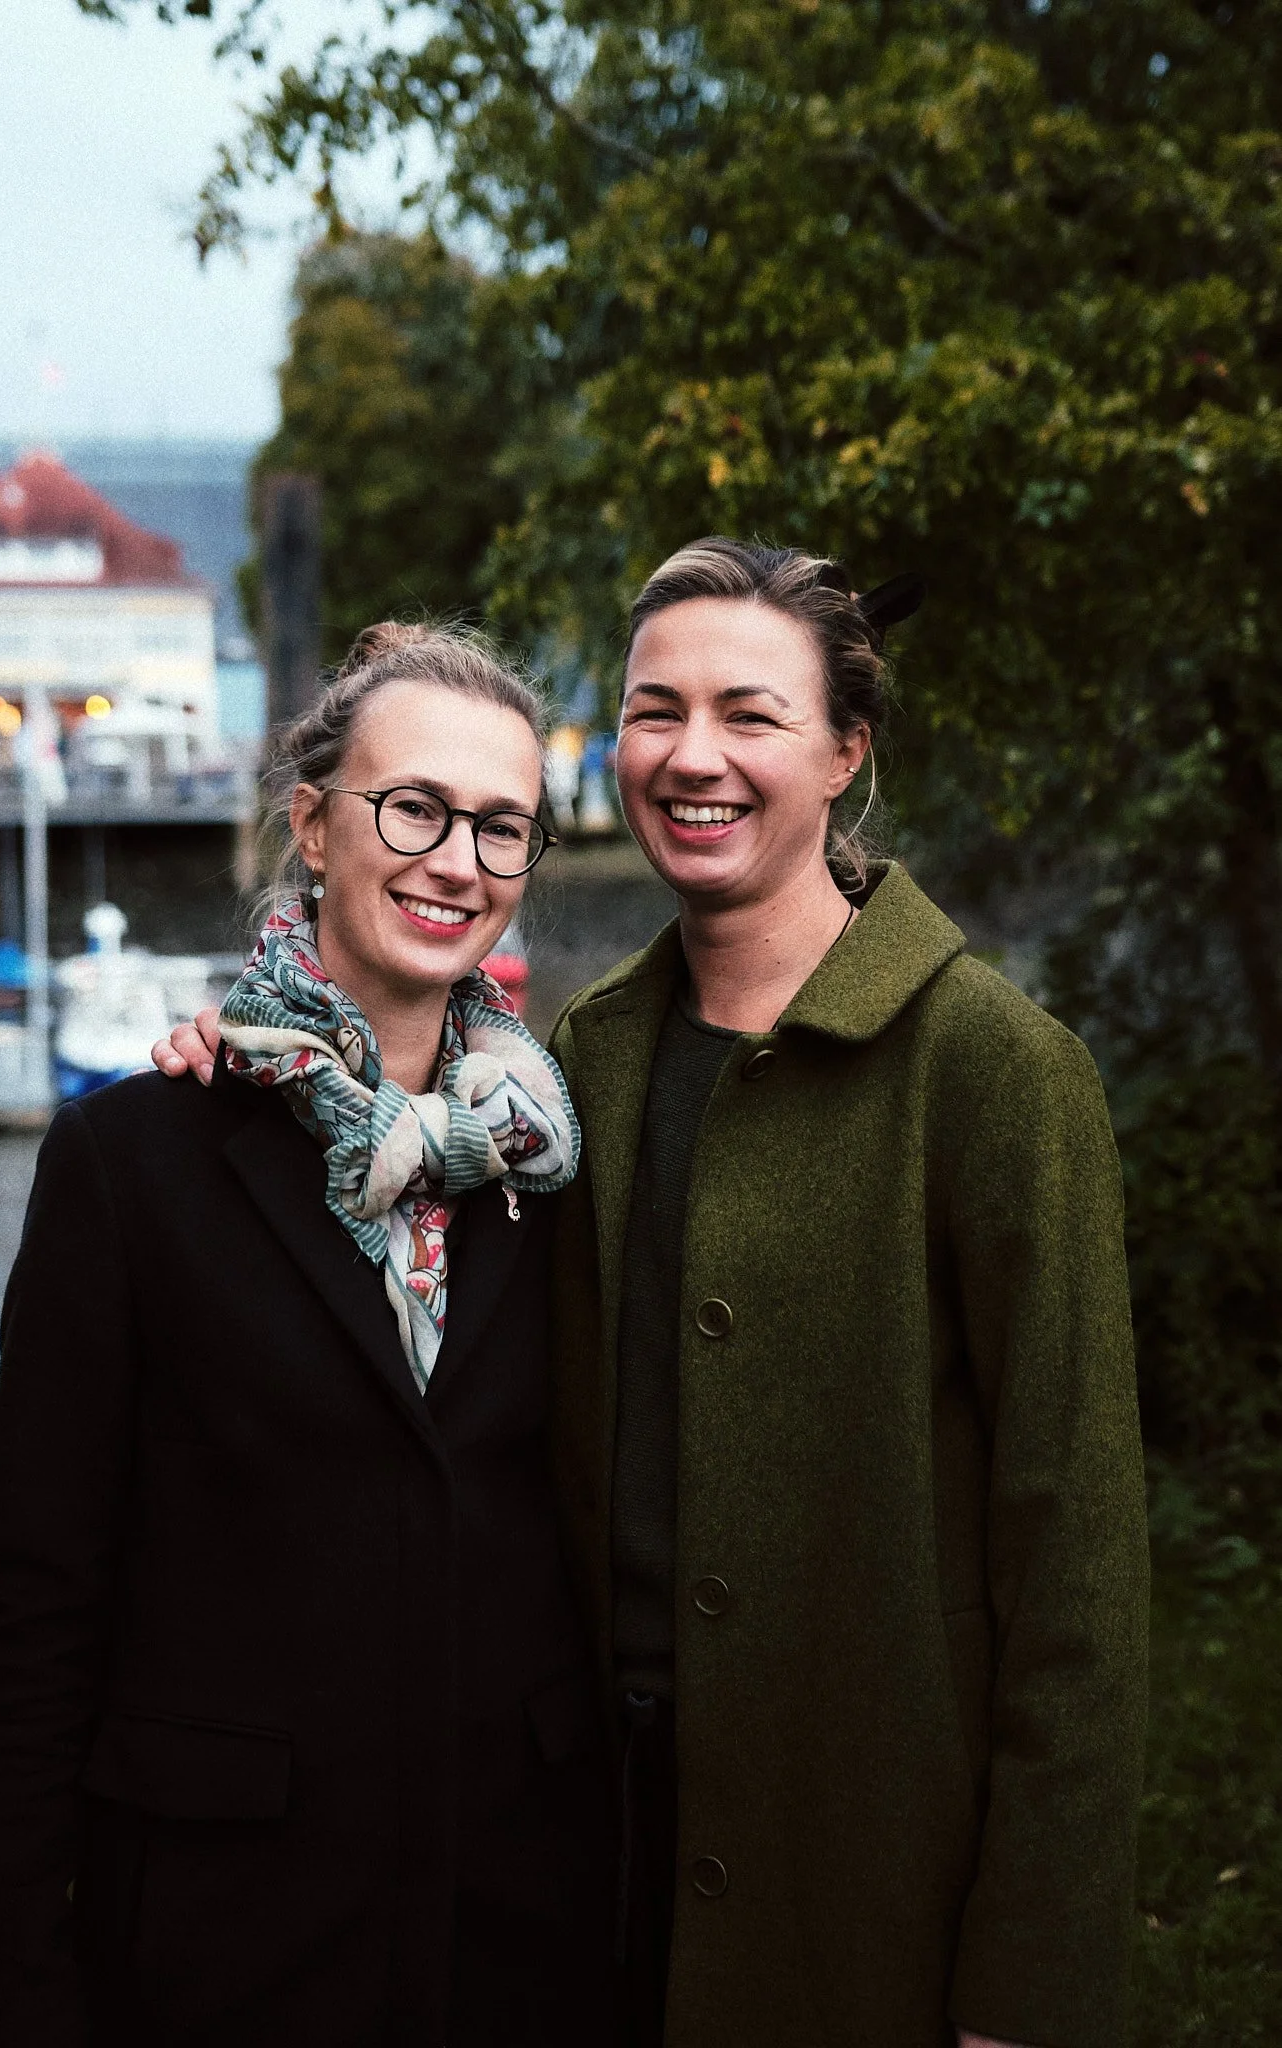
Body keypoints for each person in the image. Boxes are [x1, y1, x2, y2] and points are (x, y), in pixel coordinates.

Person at [159, 545, 1151, 2048]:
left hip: (873, 1890)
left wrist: (1032, 1986)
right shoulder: (573, 1070)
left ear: (845, 752)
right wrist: (236, 1071)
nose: (694, 757)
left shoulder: (999, 1076)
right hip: (574, 1874)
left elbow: (1077, 1578)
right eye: (652, 708)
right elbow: (388, 1271)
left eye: (750, 714)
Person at [0, 623, 616, 2048]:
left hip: (518, 1940)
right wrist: (13, 1990)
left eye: (502, 829)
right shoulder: (133, 1161)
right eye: (415, 807)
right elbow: (31, 1619)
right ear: (314, 825)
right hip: (220, 1943)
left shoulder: (556, 1166)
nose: (457, 863)